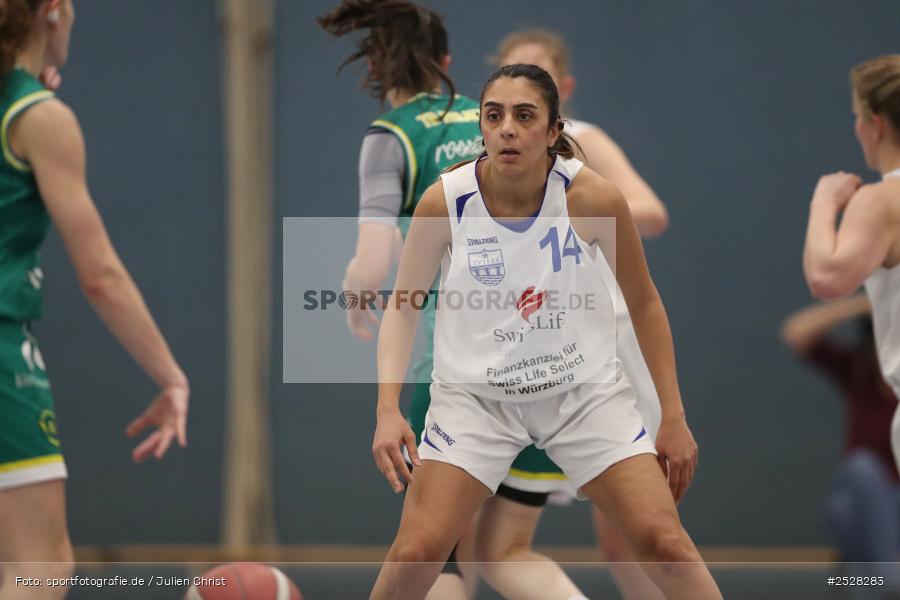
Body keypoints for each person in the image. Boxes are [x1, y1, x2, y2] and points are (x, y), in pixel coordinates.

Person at [369, 63, 721, 600]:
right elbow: (402, 305)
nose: (507, 127)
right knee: (417, 550)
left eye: (524, 115)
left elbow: (645, 303)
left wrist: (673, 416)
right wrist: (387, 409)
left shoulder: (591, 198)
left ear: (554, 131)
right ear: (482, 129)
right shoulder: (446, 201)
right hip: (476, 401)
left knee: (664, 542)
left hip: (581, 395)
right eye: (494, 116)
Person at [0, 1, 189, 597]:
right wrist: (171, 377)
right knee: (39, 564)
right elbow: (100, 275)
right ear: (52, 12)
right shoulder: (36, 116)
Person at [475, 29, 673, 600]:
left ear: (563, 91)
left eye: (538, 79)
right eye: (511, 75)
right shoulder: (483, 159)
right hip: (514, 352)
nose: (521, 93)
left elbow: (651, 212)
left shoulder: (582, 145)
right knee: (480, 543)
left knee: (634, 536)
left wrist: (563, 209)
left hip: (593, 350)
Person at [316, 1, 482, 598]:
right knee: (497, 541)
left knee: (437, 548)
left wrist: (355, 287)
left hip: (452, 356)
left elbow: (377, 257)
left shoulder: (393, 138)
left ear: (378, 70)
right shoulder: (493, 120)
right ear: (446, 62)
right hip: (539, 342)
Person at [803, 54, 900, 474]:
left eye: (856, 116)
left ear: (875, 124)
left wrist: (825, 201)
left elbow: (827, 277)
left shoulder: (882, 200)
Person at [781, 295, 900, 591]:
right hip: (867, 493)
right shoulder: (858, 371)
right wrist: (868, 300)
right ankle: (891, 578)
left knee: (846, 514)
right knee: (860, 471)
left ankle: (883, 583)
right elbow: (796, 332)